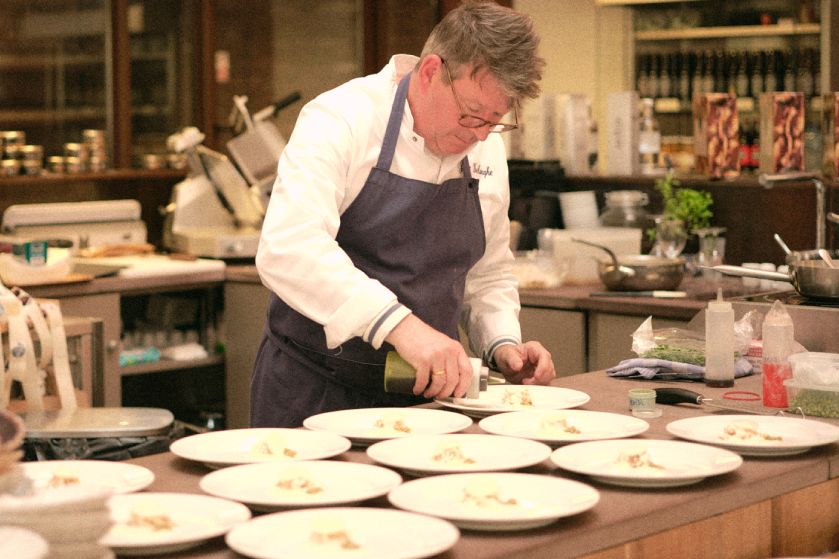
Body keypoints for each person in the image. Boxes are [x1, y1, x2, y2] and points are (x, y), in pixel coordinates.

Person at [251, 0, 555, 428]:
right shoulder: (340, 120)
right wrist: (403, 328)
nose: (479, 135)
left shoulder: (485, 147)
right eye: (470, 115)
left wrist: (502, 343)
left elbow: (487, 273)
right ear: (431, 72)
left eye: (495, 121)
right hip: (314, 391)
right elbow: (289, 249)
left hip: (424, 407)